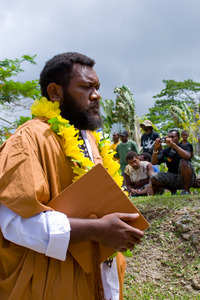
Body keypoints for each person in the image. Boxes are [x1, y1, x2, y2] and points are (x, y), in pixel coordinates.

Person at [0, 52, 144, 300]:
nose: (97, 95)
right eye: (86, 87)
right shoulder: (27, 141)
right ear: (55, 92)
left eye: (97, 87)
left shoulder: (92, 139)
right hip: (50, 284)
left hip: (98, 279)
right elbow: (15, 224)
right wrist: (96, 230)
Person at [151, 129, 195, 194]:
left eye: (172, 137)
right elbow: (154, 162)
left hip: (188, 179)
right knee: (153, 176)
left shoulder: (184, 146)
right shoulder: (166, 151)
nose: (170, 139)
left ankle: (186, 190)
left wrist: (173, 145)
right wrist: (155, 148)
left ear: (178, 138)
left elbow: (188, 156)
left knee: (184, 162)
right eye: (169, 137)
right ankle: (173, 190)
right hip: (174, 178)